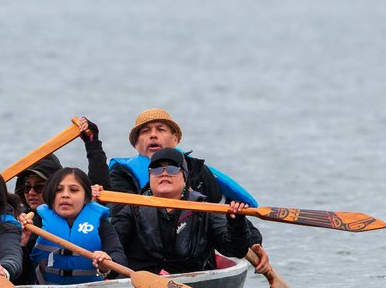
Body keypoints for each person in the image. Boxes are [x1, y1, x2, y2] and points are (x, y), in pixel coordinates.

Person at [107, 108, 270, 272]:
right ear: (136, 144)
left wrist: (253, 239)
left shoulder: (200, 175)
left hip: (191, 258)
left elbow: (223, 208)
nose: (153, 135)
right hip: (145, 263)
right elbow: (116, 229)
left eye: (161, 129)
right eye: (146, 131)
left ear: (175, 138)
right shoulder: (123, 176)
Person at [108, 148, 254, 274]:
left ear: (184, 177)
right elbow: (112, 247)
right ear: (150, 178)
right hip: (143, 281)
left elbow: (236, 250)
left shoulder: (205, 209)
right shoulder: (132, 209)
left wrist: (236, 222)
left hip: (191, 282)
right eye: (157, 169)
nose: (164, 173)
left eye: (172, 168)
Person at [17, 167, 126, 284]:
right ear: (51, 195)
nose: (65, 195)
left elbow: (119, 258)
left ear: (86, 198)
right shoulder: (35, 225)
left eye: (73, 190)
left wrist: (106, 263)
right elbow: (20, 276)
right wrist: (22, 243)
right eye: (58, 190)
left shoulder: (101, 225)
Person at [14, 118, 111, 212]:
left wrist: (92, 143)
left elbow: (100, 184)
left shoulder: (72, 213)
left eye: (39, 187)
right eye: (27, 188)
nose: (31, 193)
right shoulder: (16, 219)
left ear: (55, 188)